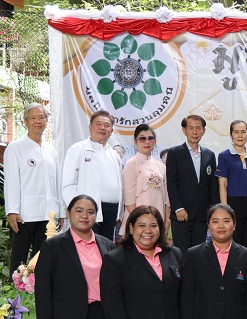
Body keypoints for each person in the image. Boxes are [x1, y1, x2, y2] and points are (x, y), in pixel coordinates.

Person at [4, 103, 64, 270]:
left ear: (46, 121)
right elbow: (11, 181)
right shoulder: (15, 147)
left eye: (42, 117)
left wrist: (60, 210)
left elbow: (57, 182)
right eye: (33, 118)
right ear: (25, 121)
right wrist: (12, 210)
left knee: (43, 259)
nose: (38, 121)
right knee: (19, 259)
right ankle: (15, 287)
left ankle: (38, 287)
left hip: (48, 214)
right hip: (24, 214)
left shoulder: (51, 150)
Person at [62, 110, 123, 240]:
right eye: (98, 124)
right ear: (90, 127)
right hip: (87, 211)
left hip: (112, 211)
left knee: (106, 248)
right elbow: (68, 183)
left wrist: (119, 214)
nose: (102, 128)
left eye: (106, 125)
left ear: (111, 131)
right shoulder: (77, 149)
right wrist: (77, 210)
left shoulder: (114, 154)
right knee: (86, 246)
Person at [166, 114, 219, 253]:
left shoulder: (209, 155)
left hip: (202, 215)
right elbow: (171, 183)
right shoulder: (175, 153)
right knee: (181, 254)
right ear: (184, 130)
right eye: (191, 128)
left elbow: (213, 187)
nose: (195, 132)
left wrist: (213, 212)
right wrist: (178, 208)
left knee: (198, 254)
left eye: (198, 128)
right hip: (182, 214)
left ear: (203, 131)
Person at [215, 120, 247, 247]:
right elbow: (222, 185)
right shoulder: (224, 156)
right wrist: (224, 209)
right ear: (231, 134)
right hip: (233, 203)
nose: (240, 135)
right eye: (236, 132)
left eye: (243, 132)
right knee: (234, 243)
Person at [121, 124, 170, 232]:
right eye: (142, 138)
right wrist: (139, 222)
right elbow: (129, 199)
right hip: (137, 220)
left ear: (155, 141)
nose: (147, 142)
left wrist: (166, 223)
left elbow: (167, 198)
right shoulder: (131, 164)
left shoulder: (161, 166)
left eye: (150, 138)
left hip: (158, 219)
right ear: (135, 142)